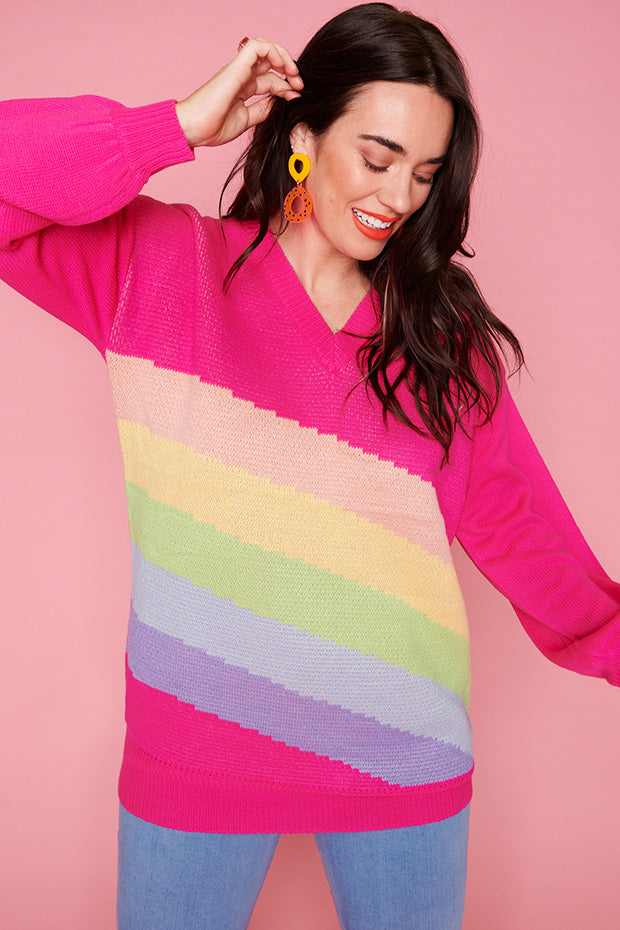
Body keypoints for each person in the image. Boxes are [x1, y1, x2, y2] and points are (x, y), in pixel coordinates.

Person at [1, 3, 618, 928]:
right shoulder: (158, 267)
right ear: (303, 136)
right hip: (194, 754)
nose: (399, 197)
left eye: (425, 173)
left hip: (400, 754)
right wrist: (175, 126)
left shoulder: (440, 341)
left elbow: (516, 524)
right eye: (377, 157)